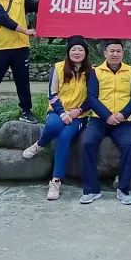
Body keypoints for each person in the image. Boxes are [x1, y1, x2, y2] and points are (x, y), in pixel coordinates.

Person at [21, 35, 92, 200]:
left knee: (64, 137)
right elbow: (52, 94)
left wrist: (78, 111)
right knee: (53, 126)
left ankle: (56, 181)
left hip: (79, 115)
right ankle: (39, 144)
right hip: (57, 111)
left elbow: (92, 97)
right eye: (73, 49)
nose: (77, 52)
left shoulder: (91, 72)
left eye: (80, 49)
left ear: (85, 53)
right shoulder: (58, 68)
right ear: (68, 51)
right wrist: (62, 113)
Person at [80, 40, 131, 205]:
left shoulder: (130, 71)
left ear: (123, 53)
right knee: (87, 143)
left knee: (129, 145)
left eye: (118, 51)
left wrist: (122, 114)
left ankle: (124, 189)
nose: (115, 54)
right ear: (105, 53)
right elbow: (92, 97)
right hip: (99, 119)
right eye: (111, 51)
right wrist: (107, 115)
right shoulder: (96, 72)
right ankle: (91, 189)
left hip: (123, 120)